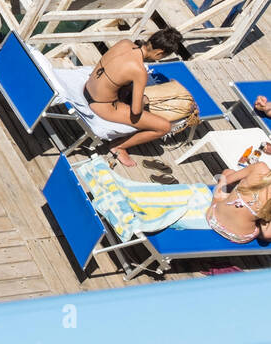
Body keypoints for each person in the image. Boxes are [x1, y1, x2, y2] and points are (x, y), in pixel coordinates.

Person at [82, 28, 184, 167]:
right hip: (102, 106)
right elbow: (136, 112)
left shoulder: (124, 43)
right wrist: (143, 100)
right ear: (159, 53)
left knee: (128, 88)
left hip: (88, 88)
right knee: (164, 127)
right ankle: (119, 146)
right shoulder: (139, 70)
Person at [206, 162, 271, 244]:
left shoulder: (260, 167)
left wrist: (243, 186)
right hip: (239, 236)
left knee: (227, 172)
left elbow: (226, 181)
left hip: (213, 219)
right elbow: (267, 234)